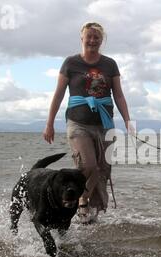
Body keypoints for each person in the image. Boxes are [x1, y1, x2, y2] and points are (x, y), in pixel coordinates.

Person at [43, 22, 133, 224]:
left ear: (102, 40)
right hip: (78, 123)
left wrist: (127, 120)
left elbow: (118, 95)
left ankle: (93, 215)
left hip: (104, 123)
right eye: (89, 36)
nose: (92, 40)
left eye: (97, 37)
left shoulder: (110, 64)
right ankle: (81, 199)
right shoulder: (70, 63)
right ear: (81, 38)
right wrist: (49, 123)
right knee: (89, 164)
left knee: (102, 169)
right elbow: (58, 95)